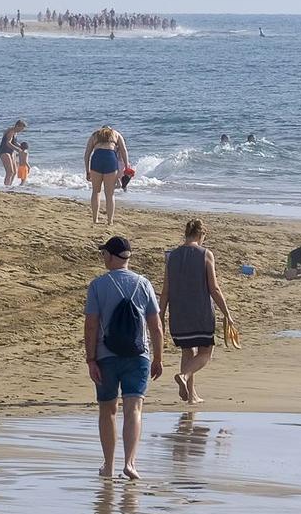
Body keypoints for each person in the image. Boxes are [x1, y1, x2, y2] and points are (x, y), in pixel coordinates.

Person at [83, 235, 164, 478]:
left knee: (108, 410)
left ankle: (108, 466)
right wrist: (158, 358)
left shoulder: (98, 285)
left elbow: (91, 325)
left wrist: (91, 359)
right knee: (134, 409)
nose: (103, 258)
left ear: (110, 256)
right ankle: (130, 463)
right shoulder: (144, 284)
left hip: (106, 356)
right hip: (138, 355)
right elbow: (156, 326)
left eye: (104, 254)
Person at [163, 218, 233, 403]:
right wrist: (226, 312)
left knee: (187, 352)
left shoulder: (171, 256)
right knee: (205, 354)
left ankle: (191, 396)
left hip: (178, 314)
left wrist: (161, 315)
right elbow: (214, 288)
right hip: (200, 314)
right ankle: (184, 376)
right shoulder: (206, 254)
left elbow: (165, 290)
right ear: (202, 234)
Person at [84, 126, 129, 226]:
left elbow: (87, 154)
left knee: (96, 191)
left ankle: (95, 220)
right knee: (110, 194)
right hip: (110, 159)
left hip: (97, 159)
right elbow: (124, 150)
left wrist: (87, 170)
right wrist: (127, 166)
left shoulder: (94, 135)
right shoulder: (116, 134)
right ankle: (110, 221)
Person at [0, 119, 30, 186]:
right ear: (17, 126)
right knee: (10, 172)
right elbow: (8, 143)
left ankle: (9, 185)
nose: (21, 130)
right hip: (4, 151)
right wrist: (17, 149)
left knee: (14, 172)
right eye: (21, 128)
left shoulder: (15, 133)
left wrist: (22, 147)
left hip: (11, 151)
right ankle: (6, 187)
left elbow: (15, 142)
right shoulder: (11, 131)